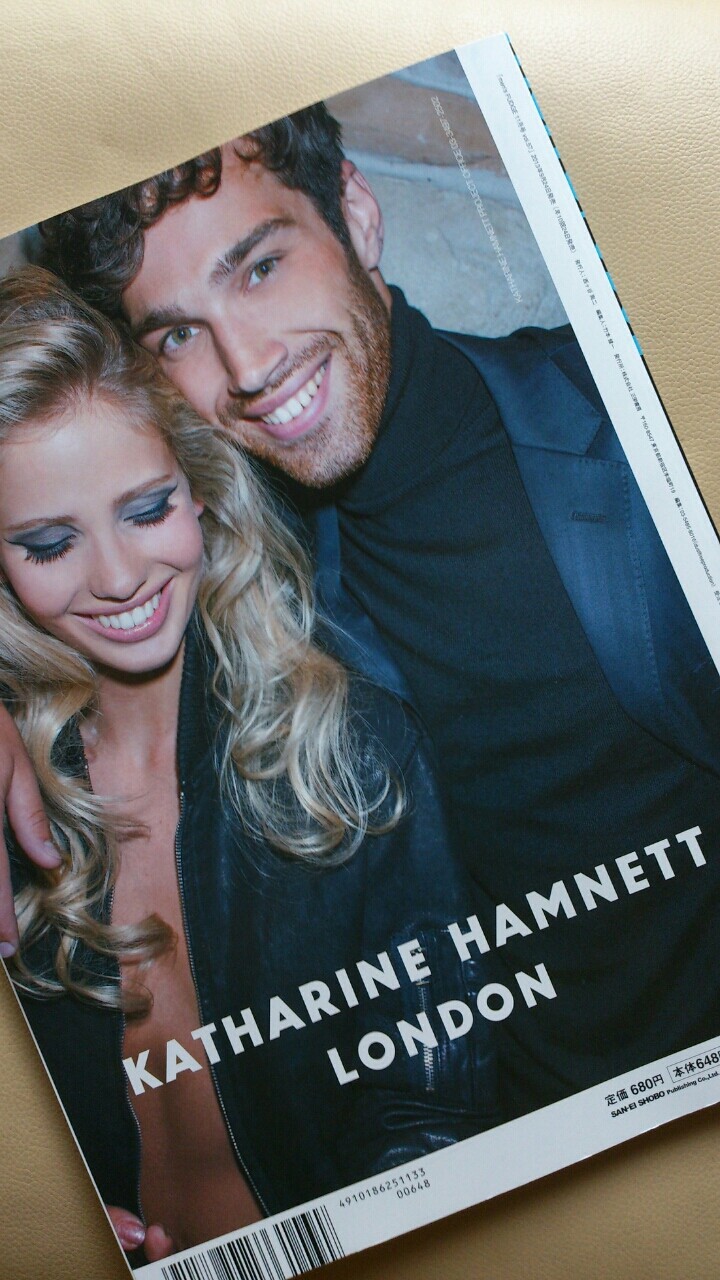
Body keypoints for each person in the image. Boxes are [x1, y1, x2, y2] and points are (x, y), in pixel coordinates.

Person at [5, 105, 720, 1117]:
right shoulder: (233, 565)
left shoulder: (636, 412)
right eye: (179, 333)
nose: (248, 365)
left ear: (357, 214)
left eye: (260, 268)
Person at [0, 268, 497, 1263]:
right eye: (50, 543)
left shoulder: (342, 743)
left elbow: (441, 1114)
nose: (119, 576)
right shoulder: (19, 795)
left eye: (147, 509)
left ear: (199, 489)